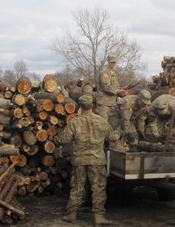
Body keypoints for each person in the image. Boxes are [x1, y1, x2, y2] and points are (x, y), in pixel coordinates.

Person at [58, 94, 118, 225]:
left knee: (77, 187)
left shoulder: (74, 121)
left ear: (80, 106)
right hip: (97, 161)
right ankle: (98, 217)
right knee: (98, 188)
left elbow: (64, 140)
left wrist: (57, 138)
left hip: (79, 160)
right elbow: (113, 137)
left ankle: (71, 215)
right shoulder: (101, 120)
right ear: (92, 105)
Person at [96, 55, 128, 121]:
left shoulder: (114, 73)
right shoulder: (104, 73)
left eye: (114, 63)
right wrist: (118, 92)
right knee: (103, 124)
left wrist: (122, 91)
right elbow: (106, 87)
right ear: (108, 62)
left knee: (112, 124)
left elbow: (116, 86)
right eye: (112, 62)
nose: (113, 64)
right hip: (104, 104)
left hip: (112, 103)